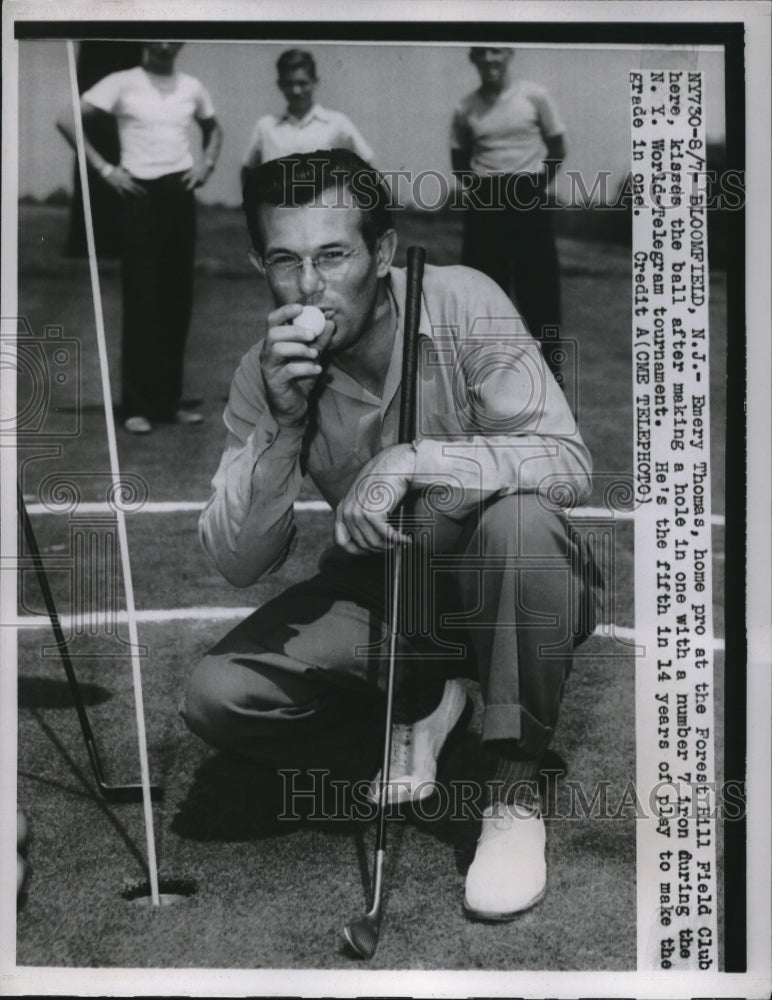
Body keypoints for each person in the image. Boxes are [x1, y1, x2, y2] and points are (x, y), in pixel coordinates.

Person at [182, 149, 599, 921]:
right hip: (382, 586)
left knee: (521, 518)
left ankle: (508, 798)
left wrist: (417, 457)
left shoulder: (464, 300)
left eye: (333, 255)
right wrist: (280, 420)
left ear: (379, 251)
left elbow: (568, 464)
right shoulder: (264, 370)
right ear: (258, 264)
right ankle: (422, 715)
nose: (310, 287)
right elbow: (239, 560)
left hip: (498, 573)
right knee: (220, 698)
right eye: (285, 260)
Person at [57, 41, 223, 434]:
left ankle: (168, 403)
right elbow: (68, 119)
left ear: (181, 42)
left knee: (176, 300)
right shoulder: (122, 82)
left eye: (173, 36)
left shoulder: (192, 87)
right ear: (145, 37)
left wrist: (207, 162)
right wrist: (105, 169)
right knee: (142, 298)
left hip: (179, 195)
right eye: (157, 33)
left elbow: (214, 130)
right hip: (137, 196)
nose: (165, 42)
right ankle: (137, 406)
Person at [451, 47, 566, 380]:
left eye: (497, 52)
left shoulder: (535, 97)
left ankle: (552, 379)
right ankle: (486, 380)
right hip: (486, 200)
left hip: (528, 196)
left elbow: (557, 148)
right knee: (483, 290)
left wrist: (533, 185)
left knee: (540, 291)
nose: (490, 60)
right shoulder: (465, 108)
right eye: (483, 54)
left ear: (509, 55)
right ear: (473, 59)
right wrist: (484, 192)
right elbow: (459, 160)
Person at [241, 49, 373, 185]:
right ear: (280, 85)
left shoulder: (337, 124)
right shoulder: (265, 127)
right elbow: (247, 170)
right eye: (289, 84)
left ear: (315, 82)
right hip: (277, 205)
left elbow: (367, 166)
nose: (296, 91)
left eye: (302, 83)